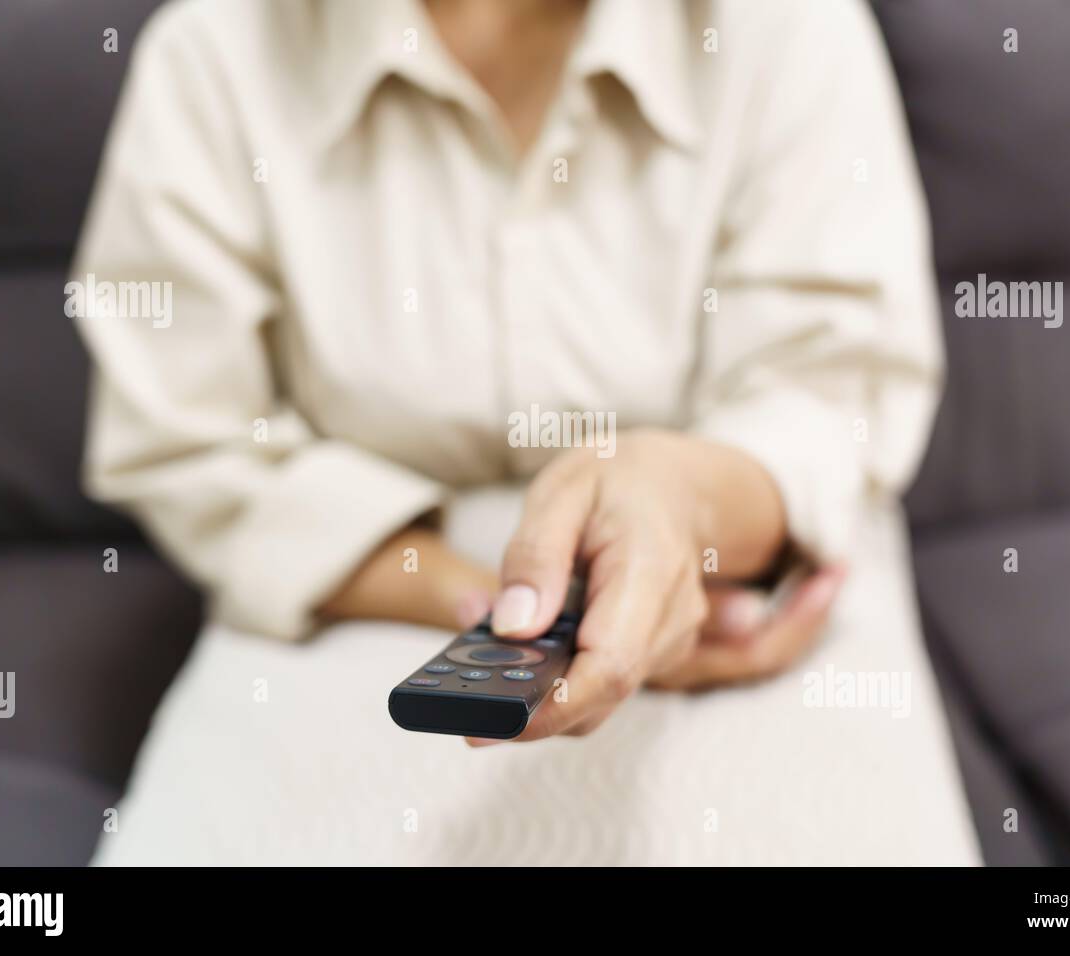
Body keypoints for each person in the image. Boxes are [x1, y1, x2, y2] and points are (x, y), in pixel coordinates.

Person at [74, 0, 979, 864]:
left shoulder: (790, 29)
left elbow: (828, 395)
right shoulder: (212, 56)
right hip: (363, 593)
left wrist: (677, 506)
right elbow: (188, 448)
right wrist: (512, 613)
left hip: (740, 580)